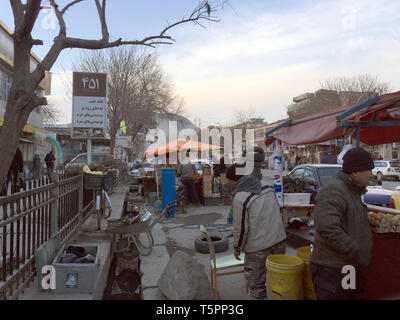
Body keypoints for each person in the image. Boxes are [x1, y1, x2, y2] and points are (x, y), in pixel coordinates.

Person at [310, 147, 374, 300]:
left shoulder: (353, 190)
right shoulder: (334, 191)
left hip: (348, 268)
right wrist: (354, 250)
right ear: (356, 171)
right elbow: (328, 227)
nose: (371, 174)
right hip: (333, 270)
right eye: (369, 170)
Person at [227, 163, 287, 300]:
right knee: (278, 281)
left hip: (258, 248)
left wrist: (237, 248)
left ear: (235, 180)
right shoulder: (268, 187)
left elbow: (241, 228)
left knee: (256, 285)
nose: (228, 183)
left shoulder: (240, 197)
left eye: (228, 180)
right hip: (279, 240)